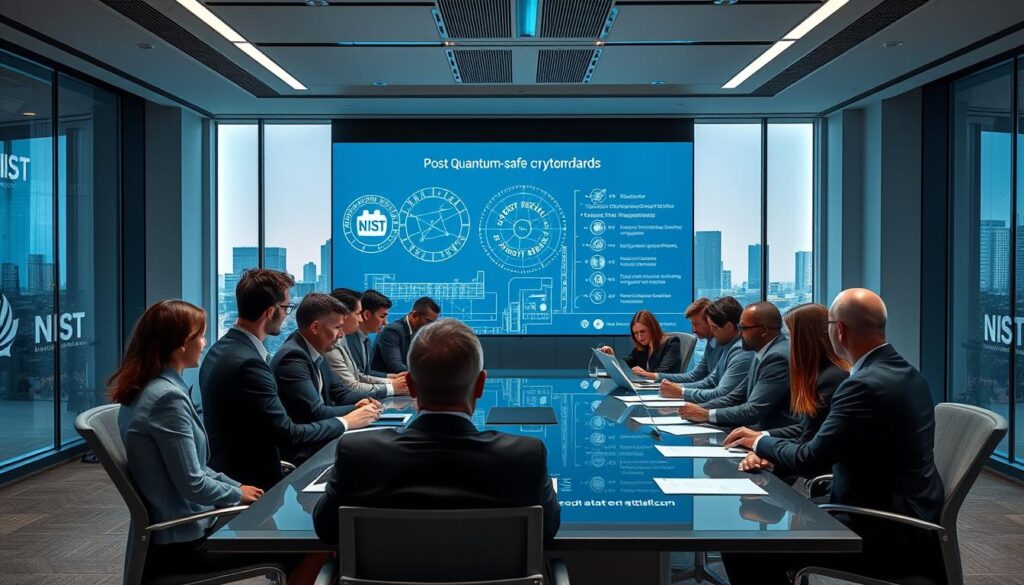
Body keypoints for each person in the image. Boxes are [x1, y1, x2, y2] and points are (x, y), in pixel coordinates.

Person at [721, 289, 945, 585]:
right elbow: (827, 445)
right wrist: (770, 448)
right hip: (901, 514)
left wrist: (760, 442)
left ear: (839, 330)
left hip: (879, 529)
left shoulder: (862, 386)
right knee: (762, 522)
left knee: (743, 544)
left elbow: (811, 460)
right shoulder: (906, 373)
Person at [313, 319, 560, 544]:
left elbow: (326, 529)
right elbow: (547, 529)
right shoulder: (525, 457)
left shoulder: (358, 454)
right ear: (481, 384)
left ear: (409, 385)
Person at [109, 300, 292, 579]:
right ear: (182, 343)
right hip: (185, 545)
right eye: (201, 335)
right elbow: (193, 482)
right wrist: (235, 494)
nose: (205, 343)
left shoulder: (149, 387)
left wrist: (236, 486)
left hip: (185, 529)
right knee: (301, 547)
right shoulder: (166, 399)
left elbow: (192, 466)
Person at [200, 269, 348, 490]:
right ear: (270, 312)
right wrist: (346, 422)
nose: (288, 314)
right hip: (252, 488)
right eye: (287, 308)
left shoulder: (220, 350)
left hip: (230, 474)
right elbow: (288, 434)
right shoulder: (250, 364)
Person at [724, 303, 849, 479]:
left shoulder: (830, 380)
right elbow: (806, 429)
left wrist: (761, 445)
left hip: (818, 481)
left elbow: (810, 454)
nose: (785, 343)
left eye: (789, 336)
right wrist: (762, 441)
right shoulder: (821, 374)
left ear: (804, 339)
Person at [272, 293, 382, 463]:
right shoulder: (293, 357)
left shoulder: (314, 349)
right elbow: (315, 413)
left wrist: (365, 401)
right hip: (304, 454)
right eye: (337, 327)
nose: (341, 335)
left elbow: (340, 392)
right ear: (315, 327)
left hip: (320, 442)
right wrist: (354, 412)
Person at [677, 301, 796, 430]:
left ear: (763, 331)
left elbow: (752, 411)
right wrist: (698, 409)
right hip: (751, 430)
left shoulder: (776, 357)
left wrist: (707, 414)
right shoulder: (761, 351)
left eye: (743, 328)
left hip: (771, 435)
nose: (739, 334)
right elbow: (735, 397)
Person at [659, 297, 753, 402]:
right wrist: (676, 388)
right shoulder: (725, 345)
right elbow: (710, 382)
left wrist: (681, 392)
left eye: (714, 327)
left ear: (729, 327)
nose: (712, 331)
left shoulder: (740, 350)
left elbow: (723, 394)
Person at [324, 289, 409, 400]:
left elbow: (358, 375)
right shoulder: (337, 342)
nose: (360, 320)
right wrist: (392, 387)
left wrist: (392, 380)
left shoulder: (355, 339)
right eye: (358, 314)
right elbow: (352, 385)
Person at [634, 298, 715, 381]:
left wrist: (682, 391)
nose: (693, 330)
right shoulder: (711, 344)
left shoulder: (722, 346)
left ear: (710, 321)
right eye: (692, 325)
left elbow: (714, 387)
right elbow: (694, 376)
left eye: (697, 324)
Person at [598, 310, 682, 376]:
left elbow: (665, 372)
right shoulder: (642, 348)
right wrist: (611, 357)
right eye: (636, 333)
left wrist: (645, 373)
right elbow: (626, 364)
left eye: (643, 332)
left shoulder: (671, 342)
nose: (639, 337)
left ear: (653, 328)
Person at [370, 296, 440, 374]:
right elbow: (396, 366)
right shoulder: (392, 330)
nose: (430, 326)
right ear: (414, 315)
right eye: (428, 321)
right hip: (388, 382)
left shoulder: (418, 331)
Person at [345, 289, 394, 377]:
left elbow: (365, 372)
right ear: (367, 315)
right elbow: (357, 377)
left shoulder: (367, 341)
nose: (385, 322)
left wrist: (390, 377)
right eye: (382, 316)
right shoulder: (347, 340)